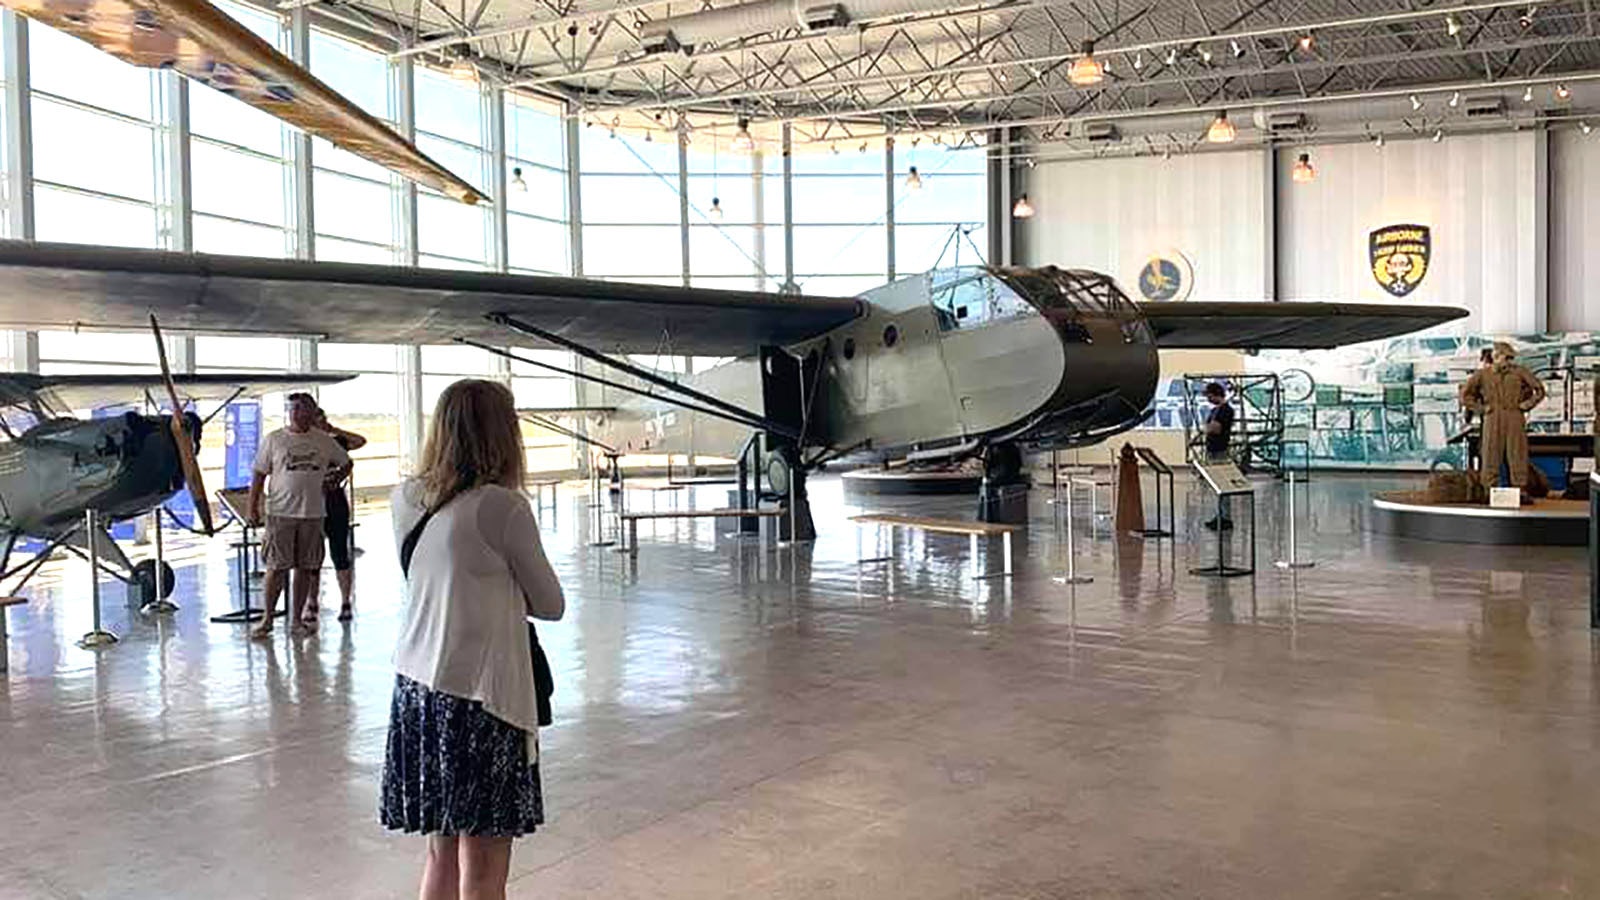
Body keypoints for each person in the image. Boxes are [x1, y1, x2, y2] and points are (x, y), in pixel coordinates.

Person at [382, 379, 565, 900]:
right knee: (484, 868)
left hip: (417, 690)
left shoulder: (405, 497)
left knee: (441, 855)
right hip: (480, 700)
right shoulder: (501, 507)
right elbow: (551, 604)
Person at [248, 393, 351, 638]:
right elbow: (259, 474)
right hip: (280, 513)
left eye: (302, 408)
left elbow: (346, 462)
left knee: (306, 567)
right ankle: (268, 619)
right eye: (293, 408)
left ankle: (296, 620)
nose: (296, 413)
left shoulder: (323, 440)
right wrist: (253, 507)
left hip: (313, 513)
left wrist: (335, 479)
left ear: (312, 412)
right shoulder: (274, 439)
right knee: (276, 567)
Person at [306, 405, 366, 624]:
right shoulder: (306, 445)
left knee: (339, 553)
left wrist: (334, 429)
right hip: (311, 502)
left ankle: (345, 601)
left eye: (322, 420)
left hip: (335, 502)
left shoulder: (336, 443)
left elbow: (359, 441)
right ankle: (312, 601)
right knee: (312, 556)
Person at [1460, 342, 1545, 495]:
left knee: (1517, 453)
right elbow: (1465, 395)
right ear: (1496, 356)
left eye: (1511, 358)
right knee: (1490, 452)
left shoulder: (1519, 372)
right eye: (1506, 358)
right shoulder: (1482, 375)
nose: (1509, 361)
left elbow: (1539, 390)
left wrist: (1526, 405)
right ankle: (1488, 489)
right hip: (1492, 416)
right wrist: (1481, 409)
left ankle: (1520, 489)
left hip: (1514, 415)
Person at [1201, 382, 1235, 530]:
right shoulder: (1215, 410)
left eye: (1209, 396)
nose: (1208, 399)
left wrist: (1207, 428)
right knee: (1217, 486)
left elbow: (1215, 428)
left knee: (1223, 486)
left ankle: (1225, 517)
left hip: (1220, 450)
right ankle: (1220, 515)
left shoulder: (1225, 410)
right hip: (1212, 449)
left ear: (1215, 394)